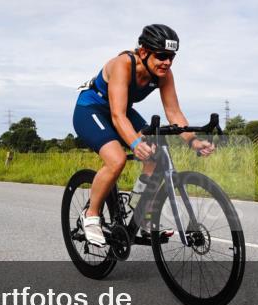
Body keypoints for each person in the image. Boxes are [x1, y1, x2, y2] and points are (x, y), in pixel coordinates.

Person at [72, 24, 214, 246]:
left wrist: (192, 140)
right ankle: (91, 215)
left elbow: (174, 112)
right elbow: (118, 116)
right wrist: (135, 143)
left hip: (121, 111)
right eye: (161, 56)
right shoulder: (123, 64)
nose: (167, 62)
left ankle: (140, 209)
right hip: (92, 109)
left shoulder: (164, 74)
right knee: (116, 159)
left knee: (156, 153)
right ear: (144, 52)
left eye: (171, 57)